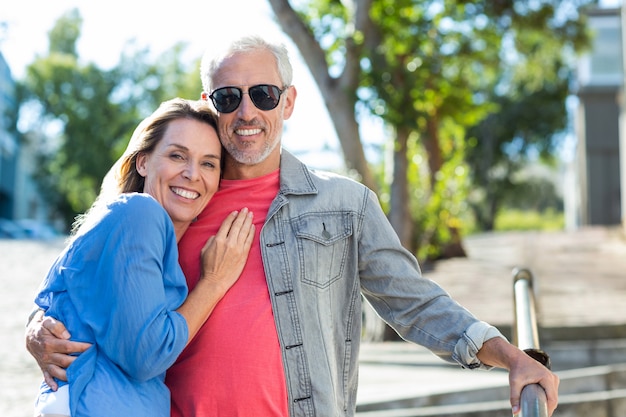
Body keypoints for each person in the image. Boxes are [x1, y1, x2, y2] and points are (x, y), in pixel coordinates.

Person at [26, 36, 559, 417]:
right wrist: (38, 331)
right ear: (212, 106)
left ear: (289, 101)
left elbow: (413, 301)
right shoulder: (175, 201)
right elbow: (86, 279)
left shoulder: (344, 204)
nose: (247, 111)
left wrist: (513, 357)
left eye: (263, 93)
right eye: (229, 97)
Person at [29, 98, 254, 417]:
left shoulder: (141, 231)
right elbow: (146, 355)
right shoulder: (139, 213)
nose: (192, 174)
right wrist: (214, 283)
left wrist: (35, 326)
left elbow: (53, 297)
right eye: (177, 155)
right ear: (143, 162)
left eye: (208, 163)